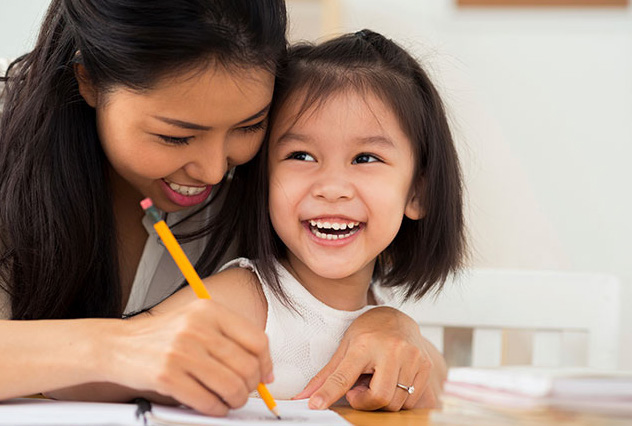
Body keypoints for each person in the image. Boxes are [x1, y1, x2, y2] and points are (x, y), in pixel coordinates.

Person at [0, 0, 449, 416]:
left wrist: (392, 325)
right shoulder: (13, 162)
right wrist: (119, 348)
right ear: (89, 81)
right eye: (175, 136)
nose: (215, 171)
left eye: (249, 126)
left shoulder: (274, 188)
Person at [149, 29, 466, 411]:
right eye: (301, 155)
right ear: (264, 179)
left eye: (366, 158)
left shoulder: (382, 313)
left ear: (418, 193)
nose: (331, 188)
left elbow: (439, 374)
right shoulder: (246, 299)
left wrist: (394, 321)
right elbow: (119, 357)